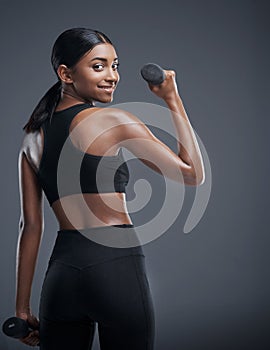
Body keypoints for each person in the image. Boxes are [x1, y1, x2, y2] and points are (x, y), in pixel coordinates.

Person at [15, 27, 205, 349]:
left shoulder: (32, 137)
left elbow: (30, 226)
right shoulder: (112, 120)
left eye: (115, 65)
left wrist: (22, 309)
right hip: (114, 266)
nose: (112, 76)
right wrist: (172, 98)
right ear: (66, 73)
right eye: (98, 66)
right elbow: (192, 174)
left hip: (61, 275)